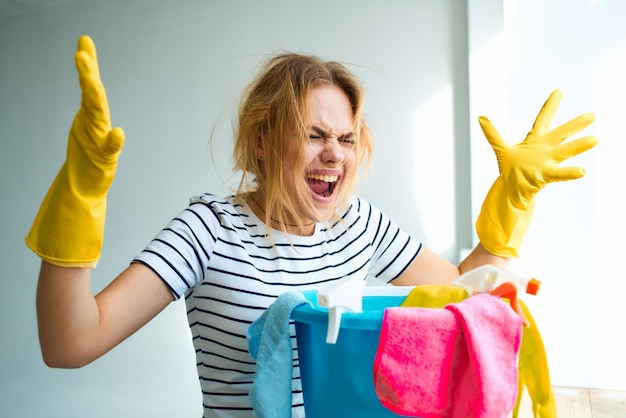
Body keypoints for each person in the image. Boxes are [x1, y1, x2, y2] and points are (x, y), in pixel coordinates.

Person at [26, 35, 598, 418]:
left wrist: (510, 209)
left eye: (346, 138)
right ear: (262, 140)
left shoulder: (359, 224)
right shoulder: (208, 227)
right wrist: (78, 201)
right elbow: (71, 343)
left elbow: (456, 293)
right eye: (314, 134)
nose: (335, 154)